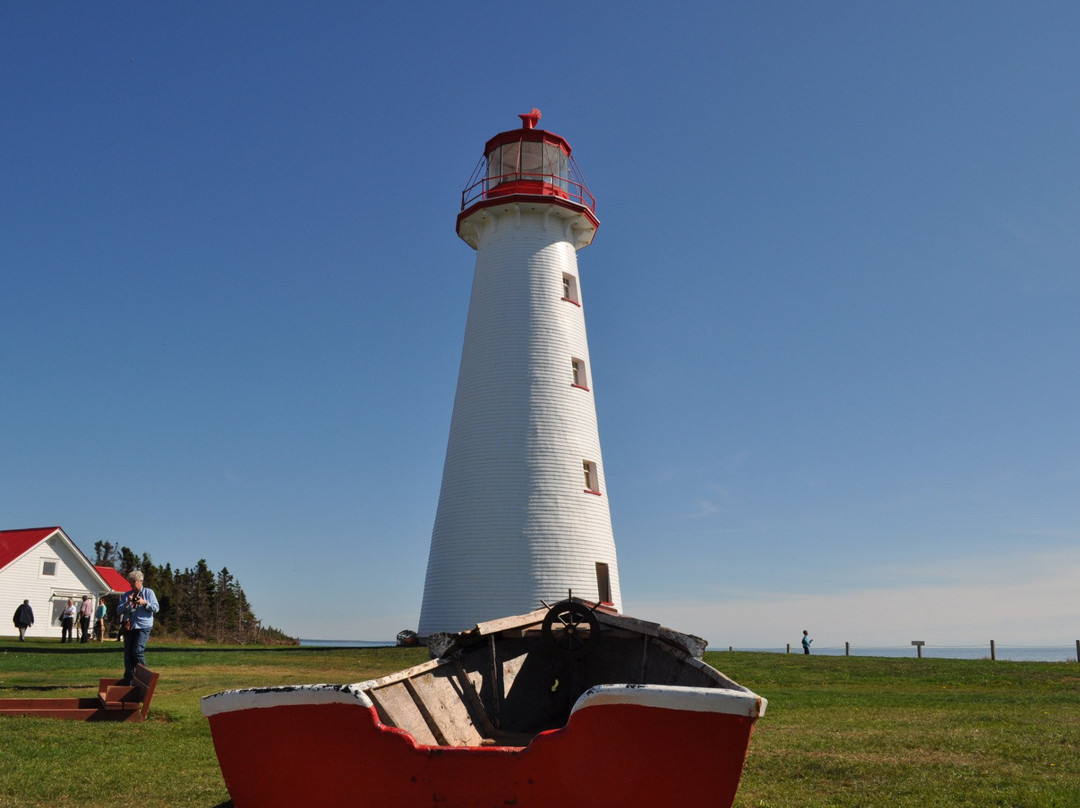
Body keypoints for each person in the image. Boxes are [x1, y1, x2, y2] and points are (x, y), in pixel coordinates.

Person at [118, 570, 159, 685]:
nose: (131, 584)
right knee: (128, 654)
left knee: (137, 651)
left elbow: (156, 608)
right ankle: (128, 681)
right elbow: (118, 610)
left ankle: (145, 677)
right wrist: (127, 603)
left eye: (133, 581)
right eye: (130, 581)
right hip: (130, 626)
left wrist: (144, 603)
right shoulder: (127, 594)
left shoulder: (149, 593)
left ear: (141, 581)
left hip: (143, 626)